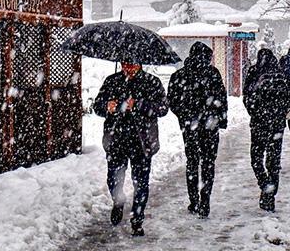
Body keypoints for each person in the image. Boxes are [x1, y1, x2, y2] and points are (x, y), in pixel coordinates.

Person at [93, 61, 169, 237]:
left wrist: (140, 104)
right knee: (113, 179)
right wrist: (107, 106)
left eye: (132, 65)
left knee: (141, 182)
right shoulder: (112, 81)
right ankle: (118, 201)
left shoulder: (152, 82)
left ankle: (137, 219)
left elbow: (163, 108)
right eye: (125, 64)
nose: (128, 68)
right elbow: (97, 106)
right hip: (116, 140)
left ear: (139, 64)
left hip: (142, 142)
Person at [168, 42, 228, 218]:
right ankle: (205, 199)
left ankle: (194, 200)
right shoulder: (213, 74)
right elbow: (221, 99)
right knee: (208, 163)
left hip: (190, 127)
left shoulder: (180, 75)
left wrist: (184, 116)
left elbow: (172, 100)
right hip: (210, 126)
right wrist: (221, 120)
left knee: (192, 162)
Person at [243, 49, 290, 212]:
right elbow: (289, 97)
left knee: (256, 158)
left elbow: (247, 96)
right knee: (273, 161)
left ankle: (265, 185)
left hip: (259, 123)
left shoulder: (254, 71)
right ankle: (269, 196)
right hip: (277, 124)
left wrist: (255, 113)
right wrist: (279, 113)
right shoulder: (281, 74)